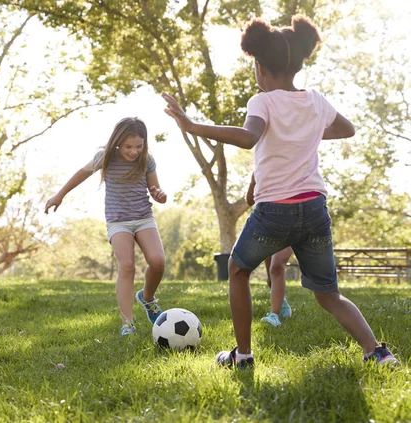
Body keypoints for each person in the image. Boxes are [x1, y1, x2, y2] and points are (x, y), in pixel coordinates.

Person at [162, 15, 398, 368]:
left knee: (238, 271)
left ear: (260, 66)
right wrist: (308, 135)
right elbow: (345, 129)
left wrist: (192, 125)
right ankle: (377, 352)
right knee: (329, 294)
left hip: (275, 213)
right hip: (315, 209)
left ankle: (242, 356)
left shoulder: (263, 101)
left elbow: (249, 138)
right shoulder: (316, 101)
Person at [45, 117, 167, 335]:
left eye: (138, 146)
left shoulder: (146, 160)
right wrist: (59, 195)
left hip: (143, 217)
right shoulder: (105, 158)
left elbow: (155, 189)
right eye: (128, 147)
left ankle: (147, 298)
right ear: (118, 142)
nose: (133, 152)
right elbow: (81, 174)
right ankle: (127, 324)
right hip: (118, 220)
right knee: (127, 265)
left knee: (158, 262)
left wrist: (160, 195)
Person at [246, 173, 292, 326]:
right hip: (267, 226)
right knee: (270, 275)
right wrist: (253, 182)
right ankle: (282, 303)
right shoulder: (262, 168)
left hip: (291, 223)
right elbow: (249, 200)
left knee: (276, 266)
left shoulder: (291, 169)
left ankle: (274, 315)